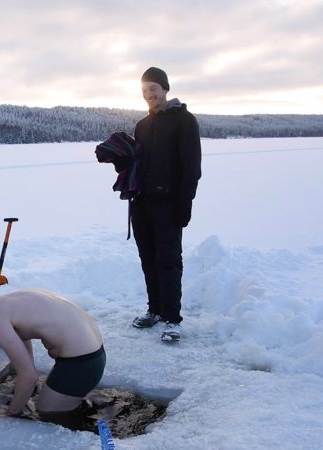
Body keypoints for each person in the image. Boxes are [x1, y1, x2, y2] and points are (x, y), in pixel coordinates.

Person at [0, 279, 105, 419]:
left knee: (47, 413)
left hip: (81, 364)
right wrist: (25, 385)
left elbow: (29, 376)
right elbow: (25, 367)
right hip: (93, 355)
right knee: (48, 401)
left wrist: (9, 415)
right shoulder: (8, 302)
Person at [130, 67, 201, 342]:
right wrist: (120, 161)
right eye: (145, 90)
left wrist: (185, 204)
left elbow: (191, 167)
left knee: (168, 261)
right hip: (141, 203)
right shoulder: (142, 126)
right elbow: (138, 165)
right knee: (148, 259)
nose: (149, 95)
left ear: (165, 89)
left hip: (168, 204)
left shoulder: (184, 121)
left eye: (153, 89)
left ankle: (172, 319)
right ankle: (155, 310)